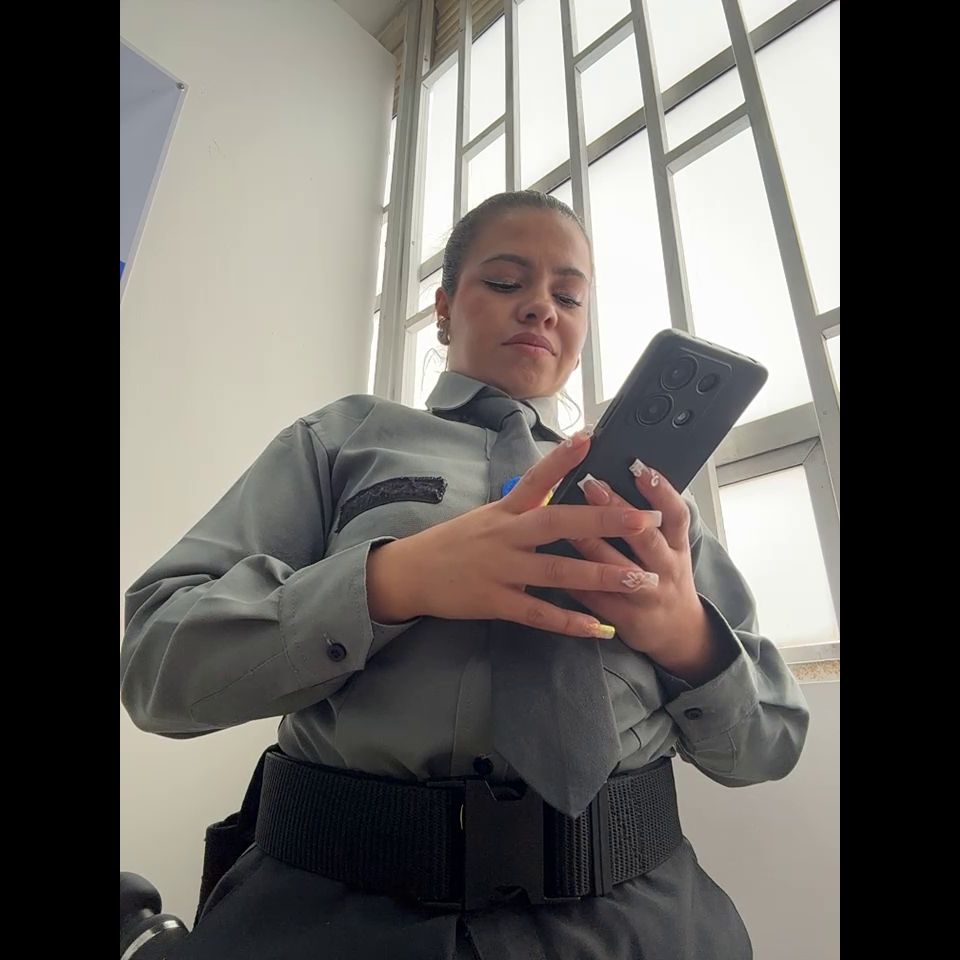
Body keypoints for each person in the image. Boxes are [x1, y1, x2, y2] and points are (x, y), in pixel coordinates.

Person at [121, 190, 809, 959]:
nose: (541, 307)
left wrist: (687, 638)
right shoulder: (342, 438)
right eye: (506, 281)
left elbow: (769, 745)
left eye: (569, 296)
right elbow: (154, 665)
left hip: (646, 920)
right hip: (334, 914)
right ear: (445, 309)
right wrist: (391, 582)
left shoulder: (653, 499)